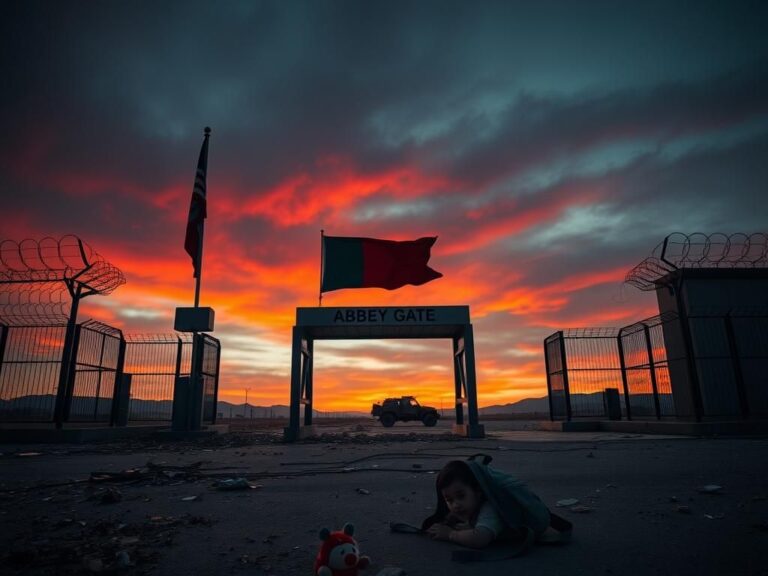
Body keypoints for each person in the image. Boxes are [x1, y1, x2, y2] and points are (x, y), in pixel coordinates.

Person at [425, 460, 508, 549]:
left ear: (478, 491)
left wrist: (450, 534)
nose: (456, 505)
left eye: (461, 496)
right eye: (449, 500)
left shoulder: (490, 509)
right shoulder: (470, 505)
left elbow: (480, 538)